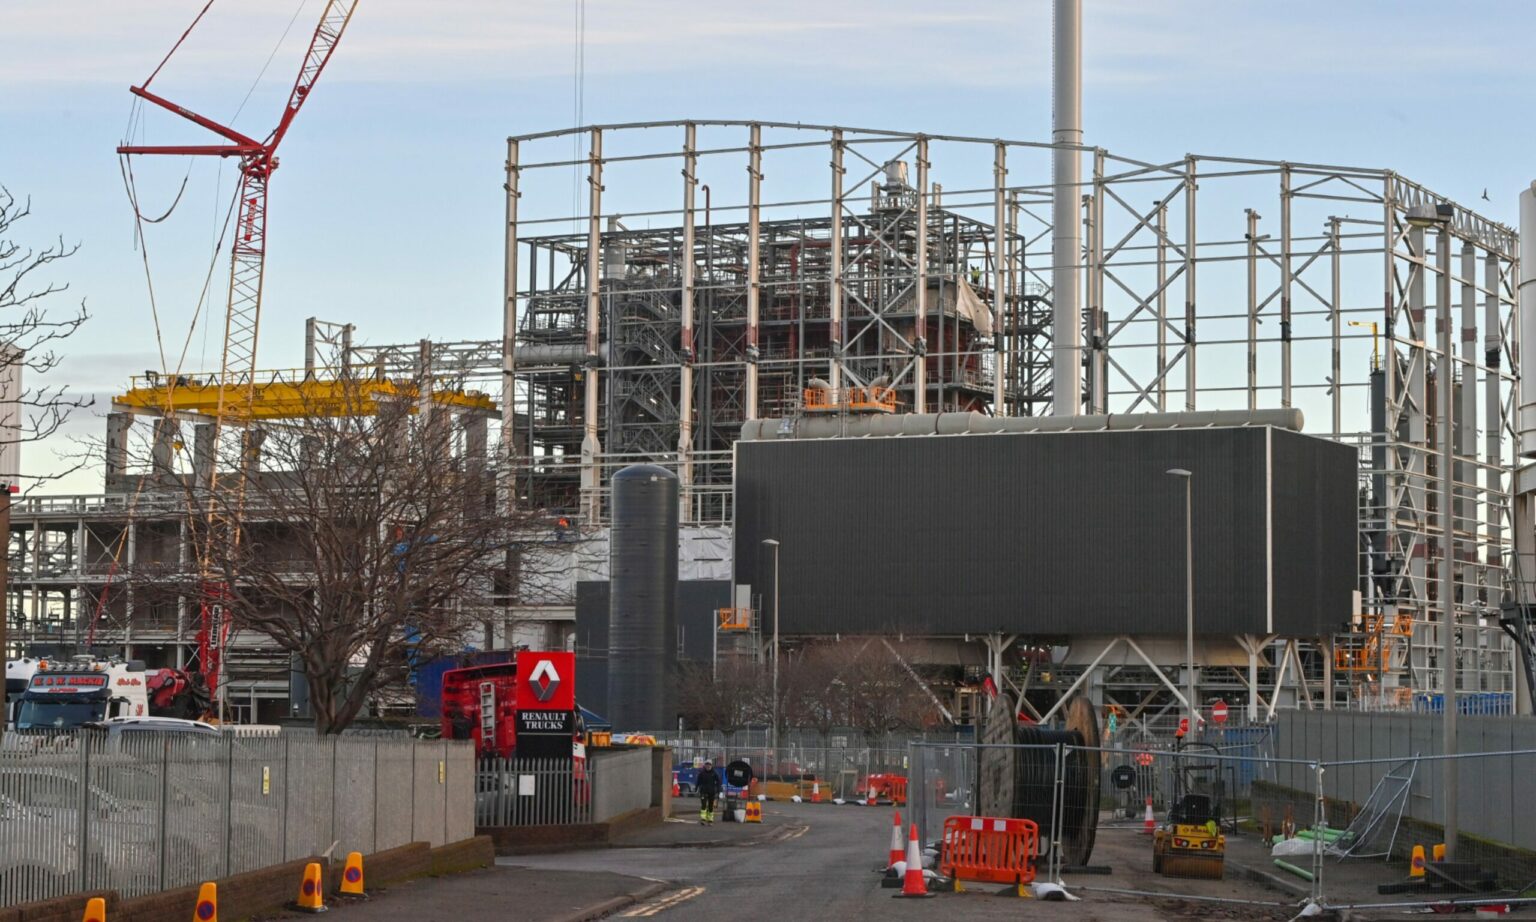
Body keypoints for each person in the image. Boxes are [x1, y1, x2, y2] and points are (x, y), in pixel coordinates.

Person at [696, 759, 723, 824]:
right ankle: (703, 819)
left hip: (712, 792)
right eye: (707, 764)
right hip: (703, 791)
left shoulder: (714, 773)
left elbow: (719, 782)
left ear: (711, 765)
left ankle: (710, 819)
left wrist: (718, 790)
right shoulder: (702, 773)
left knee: (711, 806)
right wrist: (696, 788)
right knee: (704, 804)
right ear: (705, 765)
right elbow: (698, 781)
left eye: (709, 765)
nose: (708, 766)